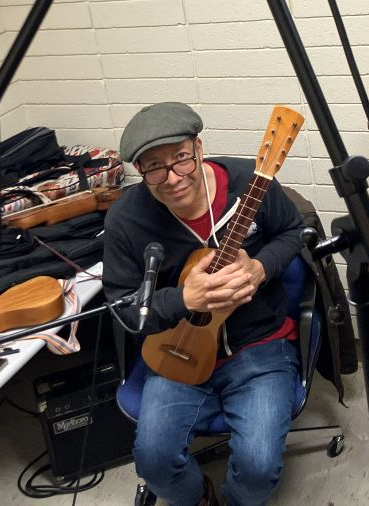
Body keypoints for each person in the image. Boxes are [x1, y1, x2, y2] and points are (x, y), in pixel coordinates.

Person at [102, 102, 303, 506]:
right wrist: (183, 299)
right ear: (139, 170)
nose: (173, 178)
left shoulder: (250, 183)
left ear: (199, 147)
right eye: (154, 168)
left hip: (258, 346)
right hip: (175, 350)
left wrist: (261, 268)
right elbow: (123, 306)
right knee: (154, 463)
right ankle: (200, 499)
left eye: (181, 158)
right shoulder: (126, 219)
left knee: (258, 469)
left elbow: (293, 232)